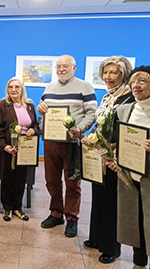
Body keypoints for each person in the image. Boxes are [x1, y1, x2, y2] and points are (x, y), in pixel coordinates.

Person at [107, 66, 150, 269]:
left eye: (142, 81)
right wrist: (115, 160)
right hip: (129, 178)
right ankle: (138, 263)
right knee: (134, 224)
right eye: (133, 82)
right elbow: (120, 142)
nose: (135, 86)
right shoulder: (124, 110)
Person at [37, 54, 97, 237]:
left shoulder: (84, 86)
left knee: (72, 182)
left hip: (72, 142)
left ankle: (71, 218)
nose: (61, 69)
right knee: (51, 180)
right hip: (51, 141)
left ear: (74, 67)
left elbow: (92, 113)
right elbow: (43, 108)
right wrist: (41, 109)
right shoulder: (49, 87)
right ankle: (56, 213)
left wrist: (80, 129)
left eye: (65, 66)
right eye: (59, 67)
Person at [81, 56, 134, 264]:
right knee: (98, 197)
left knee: (112, 202)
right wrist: (91, 137)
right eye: (105, 72)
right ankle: (97, 238)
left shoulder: (129, 98)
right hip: (98, 155)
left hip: (114, 157)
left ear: (123, 74)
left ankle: (111, 247)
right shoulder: (106, 97)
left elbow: (128, 129)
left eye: (113, 73)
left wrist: (115, 147)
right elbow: (100, 123)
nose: (108, 77)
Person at [0, 77, 39, 221]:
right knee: (7, 179)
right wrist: (4, 146)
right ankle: (7, 208)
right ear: (7, 89)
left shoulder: (29, 105)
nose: (13, 90)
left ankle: (17, 207)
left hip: (26, 149)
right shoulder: (2, 105)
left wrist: (33, 130)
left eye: (17, 87)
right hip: (9, 147)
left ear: (22, 89)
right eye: (10, 87)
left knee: (20, 179)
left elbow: (36, 125)